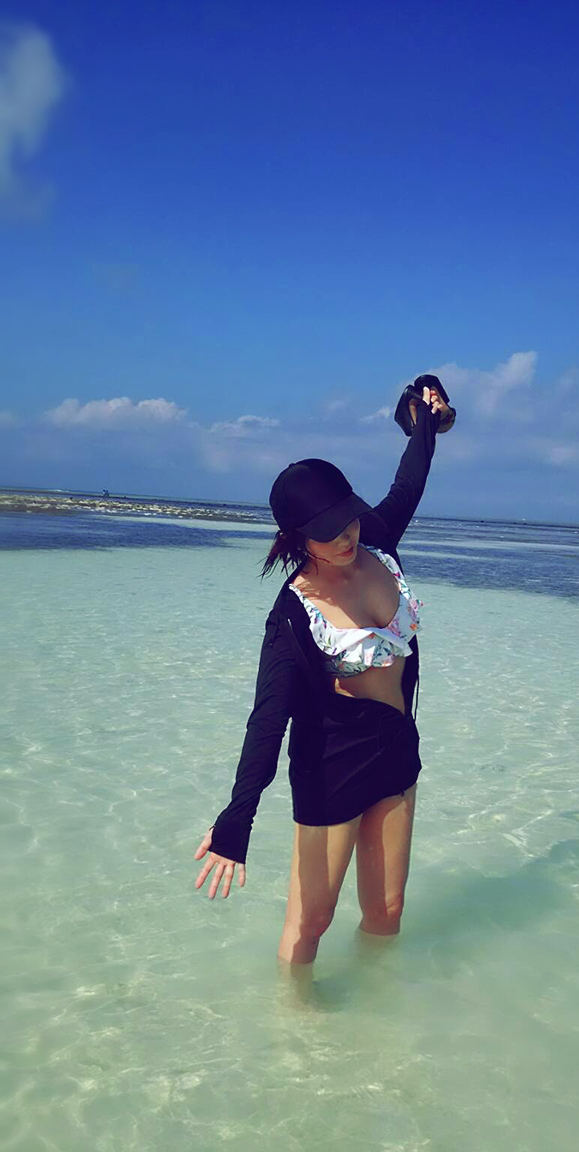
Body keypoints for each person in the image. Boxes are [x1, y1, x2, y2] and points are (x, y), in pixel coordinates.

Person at [193, 380, 454, 964]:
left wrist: (423, 421)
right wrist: (237, 818)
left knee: (388, 910)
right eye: (328, 531)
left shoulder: (376, 542)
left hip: (397, 746)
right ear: (296, 536)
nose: (346, 537)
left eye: (349, 520)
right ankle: (293, 1019)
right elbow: (267, 721)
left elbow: (409, 481)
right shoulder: (293, 613)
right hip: (333, 762)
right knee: (312, 921)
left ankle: (376, 1009)